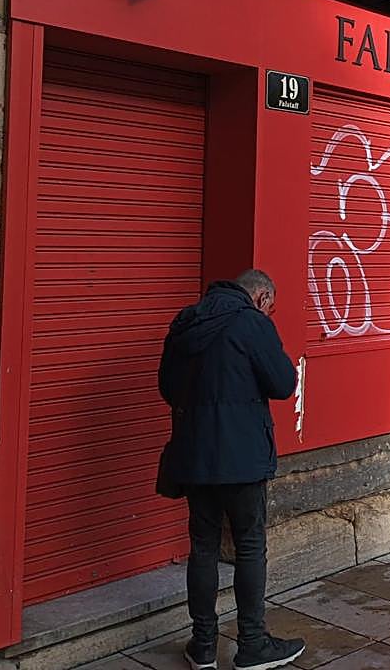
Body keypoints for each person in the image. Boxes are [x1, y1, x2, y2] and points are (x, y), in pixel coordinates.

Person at [158, 269, 306, 670]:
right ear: (260, 297)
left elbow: (167, 389)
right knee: (250, 546)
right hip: (242, 459)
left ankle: (203, 646)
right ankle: (252, 645)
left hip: (194, 458)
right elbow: (282, 383)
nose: (269, 315)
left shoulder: (186, 321)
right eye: (270, 308)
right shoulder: (251, 323)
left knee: (202, 548)